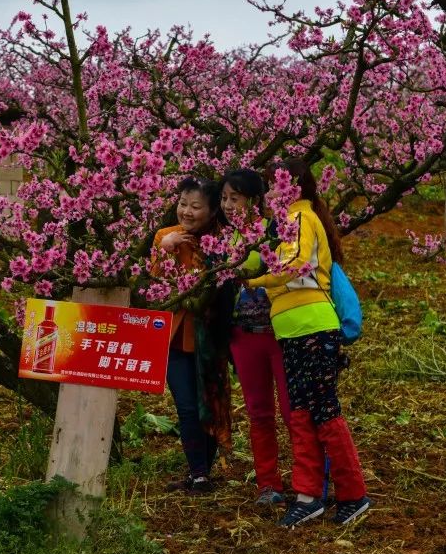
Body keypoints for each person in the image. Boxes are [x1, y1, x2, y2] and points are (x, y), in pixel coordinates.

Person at [247, 158, 371, 527]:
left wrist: (253, 282)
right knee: (301, 413)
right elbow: (262, 260)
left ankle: (353, 494)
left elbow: (296, 263)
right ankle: (308, 494)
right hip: (293, 329)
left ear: (292, 186)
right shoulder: (281, 225)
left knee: (323, 411)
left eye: (273, 185)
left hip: (314, 327)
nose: (269, 193)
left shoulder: (300, 218)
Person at [216, 169, 293, 506]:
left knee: (295, 412)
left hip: (281, 333)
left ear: (255, 200)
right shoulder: (223, 238)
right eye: (224, 198)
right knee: (259, 412)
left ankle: (312, 478)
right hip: (244, 336)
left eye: (235, 198)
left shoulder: (276, 232)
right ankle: (268, 483)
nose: (228, 205)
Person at [151, 177, 232, 495]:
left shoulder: (223, 241)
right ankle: (197, 472)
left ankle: (204, 469)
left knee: (209, 404)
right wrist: (165, 249)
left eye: (196, 206)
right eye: (183, 204)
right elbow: (154, 287)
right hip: (173, 335)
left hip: (209, 335)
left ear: (212, 211)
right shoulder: (164, 236)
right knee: (185, 406)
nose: (186, 211)